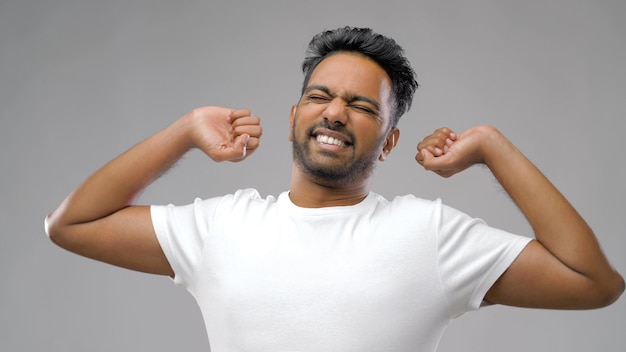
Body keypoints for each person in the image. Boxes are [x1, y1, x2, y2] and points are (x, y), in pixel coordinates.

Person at [45, 26, 623, 351]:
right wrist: (185, 130)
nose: (336, 113)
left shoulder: (429, 234)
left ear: (390, 141)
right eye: (321, 97)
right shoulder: (222, 228)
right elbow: (71, 224)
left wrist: (494, 147)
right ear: (296, 113)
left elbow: (594, 282)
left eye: (363, 105)